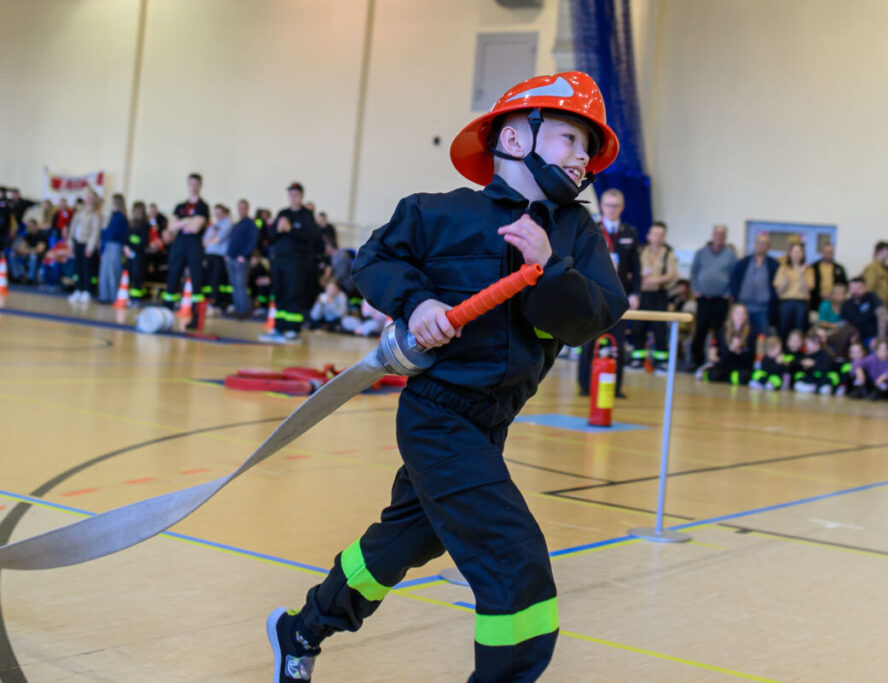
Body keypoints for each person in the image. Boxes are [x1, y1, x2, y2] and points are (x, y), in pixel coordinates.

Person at [266, 71, 627, 683]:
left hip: (492, 423)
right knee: (513, 559)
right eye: (570, 138)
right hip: (437, 415)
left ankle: (302, 630)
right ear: (514, 138)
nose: (581, 157)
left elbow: (596, 314)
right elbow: (373, 259)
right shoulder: (437, 214)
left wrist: (549, 266)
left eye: (587, 148)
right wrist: (417, 304)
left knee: (405, 541)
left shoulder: (574, 233)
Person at [577, 188, 639, 397]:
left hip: (618, 295)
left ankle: (615, 387)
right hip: (593, 293)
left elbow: (636, 267)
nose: (611, 209)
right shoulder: (591, 228)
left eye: (615, 206)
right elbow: (581, 260)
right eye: (608, 205)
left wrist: (636, 293)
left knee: (617, 344)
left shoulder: (630, 233)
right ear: (602, 206)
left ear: (622, 207)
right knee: (589, 341)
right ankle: (585, 385)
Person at [260, 183, 319, 343]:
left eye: (296, 195)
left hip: (296, 262)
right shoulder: (283, 213)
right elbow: (271, 236)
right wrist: (278, 229)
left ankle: (293, 329)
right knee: (279, 291)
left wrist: (290, 228)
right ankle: (279, 327)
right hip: (279, 260)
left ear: (301, 196)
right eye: (291, 194)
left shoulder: (306, 215)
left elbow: (309, 237)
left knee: (293, 292)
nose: (293, 198)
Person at [162, 173, 210, 328]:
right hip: (179, 244)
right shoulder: (180, 206)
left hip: (194, 246)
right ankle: (165, 315)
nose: (193, 187)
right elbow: (171, 226)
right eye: (191, 183)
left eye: (196, 184)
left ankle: (196, 318)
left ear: (200, 186)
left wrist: (182, 223)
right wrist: (188, 220)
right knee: (172, 278)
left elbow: (195, 228)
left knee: (196, 281)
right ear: (188, 185)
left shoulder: (203, 206)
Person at [689, 224, 737, 368]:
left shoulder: (730, 255)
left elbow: (734, 275)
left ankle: (718, 361)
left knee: (720, 332)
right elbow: (693, 272)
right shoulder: (701, 253)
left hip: (721, 300)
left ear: (725, 237)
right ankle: (696, 361)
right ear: (712, 235)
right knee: (700, 330)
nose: (719, 237)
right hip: (703, 299)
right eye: (717, 233)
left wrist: (729, 292)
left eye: (722, 234)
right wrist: (695, 289)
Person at [631, 221, 677, 369]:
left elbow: (672, 274)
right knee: (638, 327)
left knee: (660, 328)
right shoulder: (640, 251)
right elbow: (632, 270)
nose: (658, 237)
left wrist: (655, 280)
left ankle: (661, 360)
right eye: (655, 234)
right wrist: (640, 280)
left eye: (661, 235)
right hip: (641, 295)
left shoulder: (668, 253)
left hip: (659, 294)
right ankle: (638, 358)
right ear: (649, 236)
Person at [730, 232, 778, 341]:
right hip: (743, 308)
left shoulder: (774, 265)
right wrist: (736, 298)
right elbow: (734, 281)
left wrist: (772, 298)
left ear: (768, 246)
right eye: (759, 243)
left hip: (763, 310)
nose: (761, 246)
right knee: (742, 337)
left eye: (764, 243)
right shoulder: (743, 263)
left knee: (763, 338)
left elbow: (777, 286)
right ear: (754, 244)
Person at [701, 302, 754, 385]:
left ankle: (729, 378)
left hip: (741, 367)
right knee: (713, 375)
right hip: (725, 365)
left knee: (743, 377)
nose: (740, 316)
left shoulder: (751, 334)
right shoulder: (722, 332)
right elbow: (718, 357)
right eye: (737, 313)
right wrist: (732, 348)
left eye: (743, 313)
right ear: (732, 315)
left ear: (746, 316)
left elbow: (750, 359)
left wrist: (739, 350)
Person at [773, 241, 814, 341]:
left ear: (803, 254)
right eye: (794, 252)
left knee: (800, 331)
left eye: (799, 252)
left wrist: (801, 274)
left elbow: (806, 291)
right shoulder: (782, 268)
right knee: (783, 330)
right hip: (785, 303)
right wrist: (786, 277)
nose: (796, 254)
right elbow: (779, 292)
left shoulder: (808, 269)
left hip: (801, 304)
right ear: (790, 253)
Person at [67, 190, 102, 303]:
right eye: (87, 197)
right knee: (78, 268)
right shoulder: (80, 211)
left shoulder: (96, 214)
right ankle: (78, 289)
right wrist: (70, 241)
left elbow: (95, 232)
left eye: (91, 197)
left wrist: (90, 247)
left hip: (87, 244)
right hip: (78, 242)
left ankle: (87, 291)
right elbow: (73, 226)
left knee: (87, 269)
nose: (88, 199)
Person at [226, 199, 258, 318]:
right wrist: (227, 254)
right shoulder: (237, 224)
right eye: (240, 208)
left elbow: (252, 241)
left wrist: (244, 255)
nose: (241, 210)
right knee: (234, 285)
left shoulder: (250, 224)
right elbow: (231, 240)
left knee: (241, 285)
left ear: (247, 209)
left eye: (244, 207)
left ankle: (244, 310)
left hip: (241, 260)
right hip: (231, 258)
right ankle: (238, 308)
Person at [840, 277, 888, 348]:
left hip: (874, 336)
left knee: (881, 348)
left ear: (865, 288)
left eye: (858, 288)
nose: (855, 291)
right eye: (852, 288)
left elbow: (883, 316)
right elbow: (843, 323)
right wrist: (851, 334)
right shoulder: (846, 304)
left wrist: (880, 339)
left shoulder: (872, 298)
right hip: (857, 338)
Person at [98, 194, 129, 303]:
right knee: (105, 272)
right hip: (109, 245)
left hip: (116, 245)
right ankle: (104, 296)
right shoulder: (113, 216)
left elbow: (123, 234)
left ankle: (114, 296)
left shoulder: (121, 217)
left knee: (113, 271)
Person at [203, 203, 234, 312]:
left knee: (217, 279)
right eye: (216, 213)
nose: (218, 215)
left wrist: (211, 239)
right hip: (209, 255)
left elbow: (219, 238)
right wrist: (212, 237)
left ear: (224, 212)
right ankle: (210, 301)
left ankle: (216, 303)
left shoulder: (227, 223)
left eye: (220, 212)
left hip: (219, 256)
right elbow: (204, 241)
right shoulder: (214, 225)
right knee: (209, 280)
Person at [792, 330, 840, 395]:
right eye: (806, 344)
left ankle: (816, 388)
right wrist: (802, 364)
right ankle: (812, 388)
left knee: (825, 389)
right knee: (797, 385)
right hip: (809, 379)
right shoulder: (805, 354)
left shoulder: (824, 355)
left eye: (809, 343)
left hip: (822, 379)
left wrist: (814, 364)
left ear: (817, 344)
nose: (807, 346)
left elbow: (826, 368)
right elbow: (795, 363)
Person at [810, 242, 848, 312]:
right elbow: (810, 284)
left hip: (835, 301)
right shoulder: (814, 267)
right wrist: (820, 293)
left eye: (830, 253)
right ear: (822, 253)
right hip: (816, 300)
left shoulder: (839, 268)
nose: (828, 255)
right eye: (826, 252)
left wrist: (834, 294)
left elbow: (844, 284)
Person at [862, 241, 888, 309]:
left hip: (884, 304)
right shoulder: (873, 267)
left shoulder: (884, 268)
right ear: (878, 251)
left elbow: (887, 289)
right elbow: (869, 288)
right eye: (886, 251)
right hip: (875, 305)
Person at [124, 201, 150, 302]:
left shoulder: (145, 225)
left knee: (137, 276)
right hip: (129, 254)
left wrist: (133, 249)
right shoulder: (131, 224)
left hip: (139, 255)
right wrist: (126, 248)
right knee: (128, 274)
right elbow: (126, 238)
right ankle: (127, 296)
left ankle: (135, 298)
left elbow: (143, 242)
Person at [10, 218, 47, 283]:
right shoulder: (28, 235)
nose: (30, 228)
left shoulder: (41, 235)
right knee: (12, 254)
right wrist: (19, 251)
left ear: (36, 225)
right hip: (28, 254)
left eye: (31, 226)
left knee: (33, 256)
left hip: (40, 256)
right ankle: (18, 276)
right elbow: (22, 248)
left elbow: (40, 249)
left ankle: (30, 278)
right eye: (28, 227)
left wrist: (26, 250)